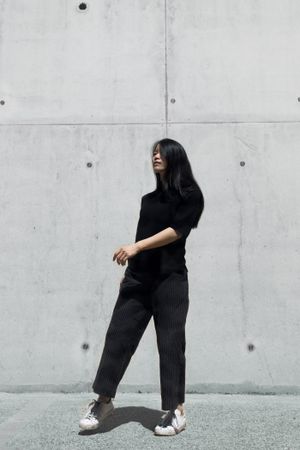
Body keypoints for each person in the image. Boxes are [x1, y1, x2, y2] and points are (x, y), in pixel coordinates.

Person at [79, 138, 205, 436]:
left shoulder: (191, 195)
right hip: (139, 278)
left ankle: (176, 410)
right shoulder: (148, 200)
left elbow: (177, 232)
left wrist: (135, 247)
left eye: (161, 152)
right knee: (118, 338)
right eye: (152, 153)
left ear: (175, 157)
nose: (155, 156)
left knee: (170, 344)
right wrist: (132, 269)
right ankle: (103, 401)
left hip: (170, 280)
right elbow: (143, 233)